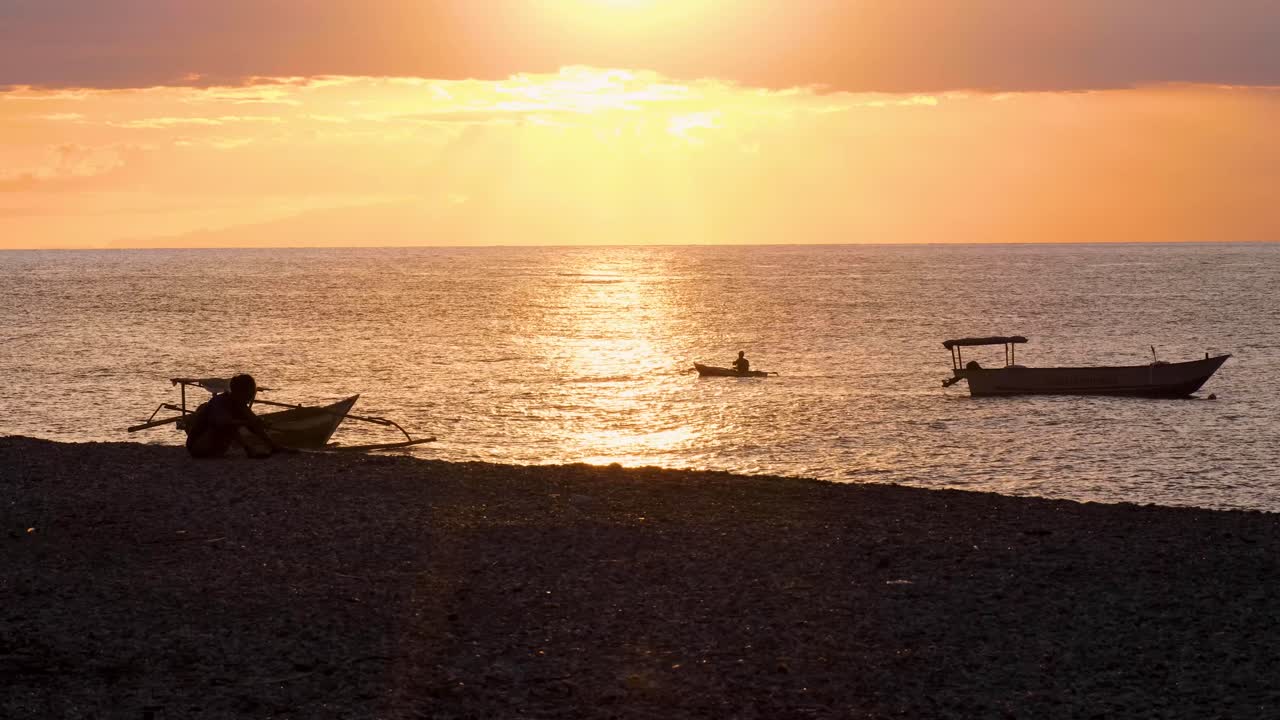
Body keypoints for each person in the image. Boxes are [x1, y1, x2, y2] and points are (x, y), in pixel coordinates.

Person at [185, 374, 294, 458]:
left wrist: (260, 422)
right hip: (198, 447)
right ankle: (249, 450)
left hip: (215, 447)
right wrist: (247, 422)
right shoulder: (219, 401)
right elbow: (222, 423)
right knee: (229, 423)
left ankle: (273, 446)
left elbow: (253, 420)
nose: (251, 397)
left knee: (247, 419)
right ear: (239, 392)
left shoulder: (238, 404)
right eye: (249, 394)